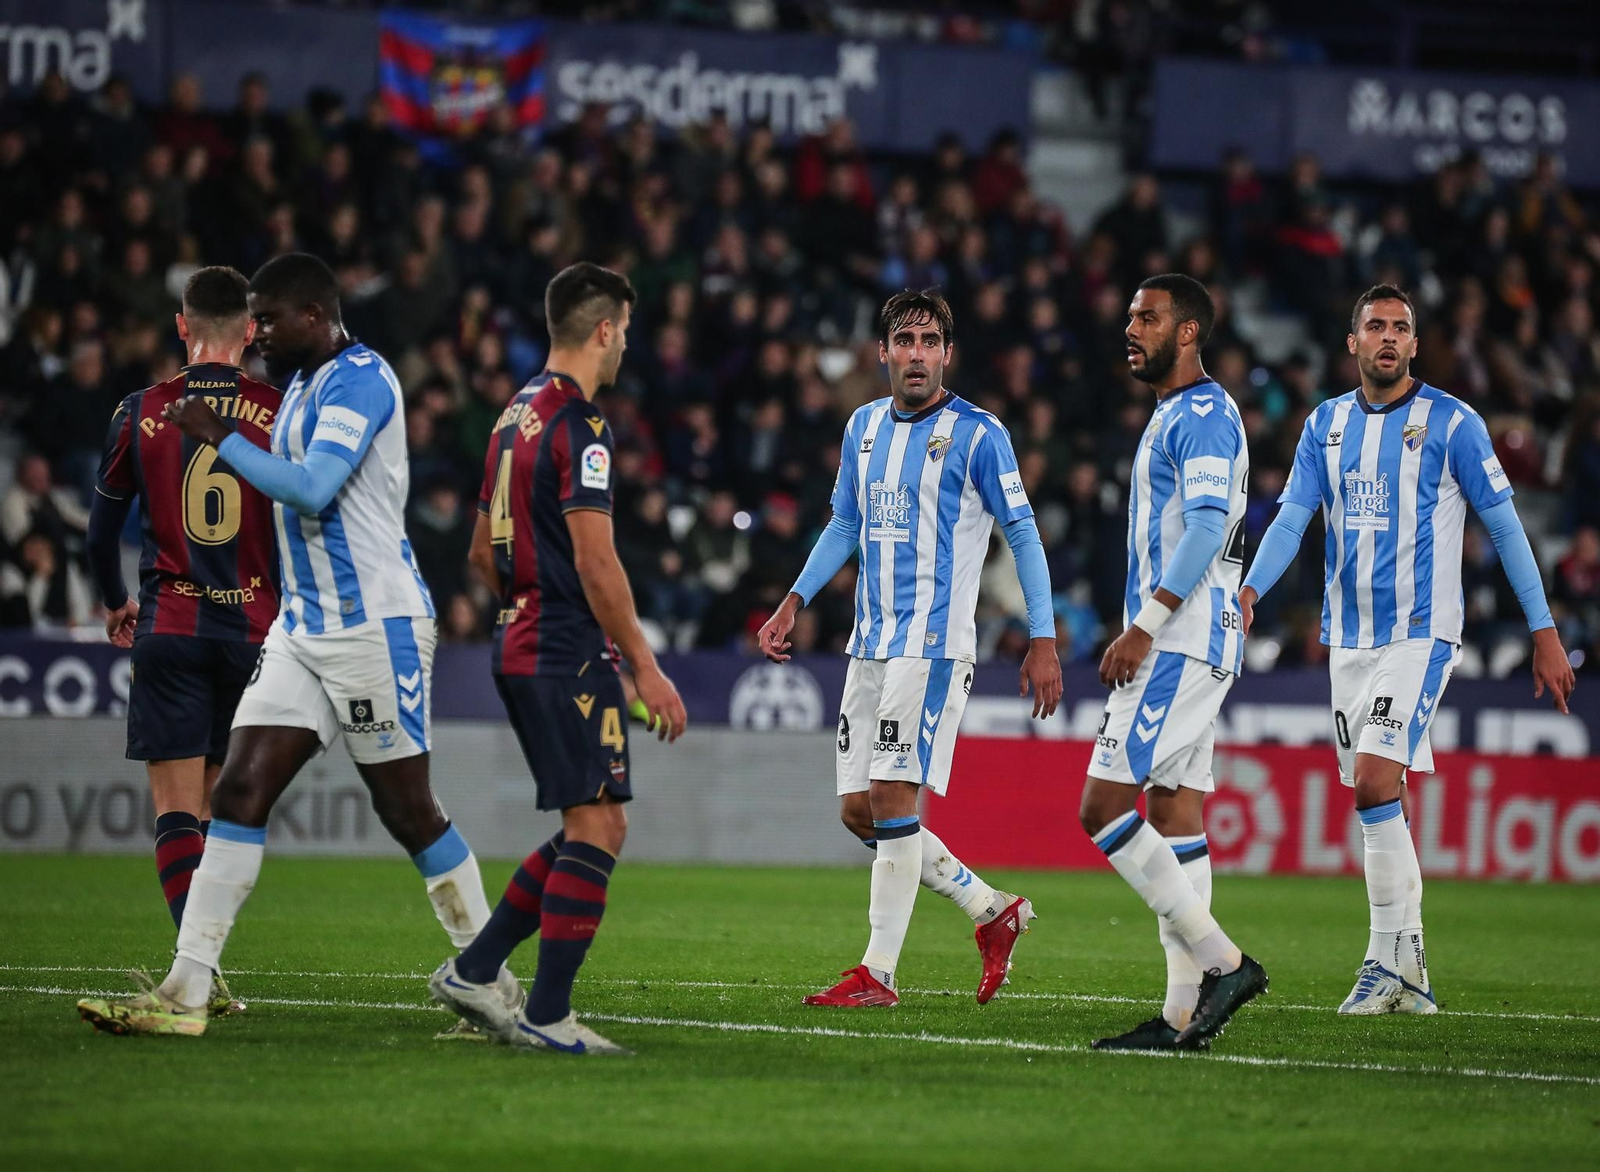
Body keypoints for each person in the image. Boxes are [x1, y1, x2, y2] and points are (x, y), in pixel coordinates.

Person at [76, 253, 514, 1038]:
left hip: (373, 627)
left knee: (408, 809)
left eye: (271, 323)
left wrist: (217, 439)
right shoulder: (303, 385)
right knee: (239, 793)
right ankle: (185, 990)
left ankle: (490, 980)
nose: (261, 338)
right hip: (301, 628)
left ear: (315, 315)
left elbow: (313, 486)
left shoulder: (362, 378)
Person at [1240, 284, 1575, 1015]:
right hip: (1348, 641)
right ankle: (1412, 968)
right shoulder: (1324, 426)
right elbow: (1294, 518)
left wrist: (1543, 630)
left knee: (1371, 781)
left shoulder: (1453, 423)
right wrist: (1251, 592)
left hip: (1421, 634)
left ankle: (1381, 963)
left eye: (1400, 328)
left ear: (1415, 345)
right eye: (1375, 326)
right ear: (1353, 343)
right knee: (1377, 798)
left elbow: (1507, 528)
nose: (1388, 337)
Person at [757, 289, 1062, 1009]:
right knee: (860, 811)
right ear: (884, 352)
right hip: (870, 644)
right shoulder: (863, 427)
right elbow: (842, 524)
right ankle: (992, 910)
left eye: (930, 340)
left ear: (947, 354)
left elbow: (1022, 534)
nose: (917, 353)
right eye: (905, 340)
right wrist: (793, 598)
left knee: (894, 794)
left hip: (931, 646)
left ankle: (878, 974)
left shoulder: (980, 434)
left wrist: (1043, 636)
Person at [428, 263, 687, 1056]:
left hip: (520, 638)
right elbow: (599, 562)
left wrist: (524, 598)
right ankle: (546, 1014)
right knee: (600, 824)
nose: (624, 350)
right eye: (626, 334)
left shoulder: (513, 418)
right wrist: (644, 664)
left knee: (592, 823)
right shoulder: (581, 426)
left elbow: (481, 550)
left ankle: (476, 970)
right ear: (604, 329)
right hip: (565, 646)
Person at [84, 267, 279, 1016]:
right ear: (252, 333)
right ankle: (200, 973)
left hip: (169, 625)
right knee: (216, 813)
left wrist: (113, 603)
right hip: (256, 636)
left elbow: (102, 535)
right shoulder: (278, 410)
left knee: (175, 809)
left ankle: (197, 974)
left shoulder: (142, 411)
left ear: (181, 327)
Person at [1082, 274, 1267, 1053]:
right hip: (1197, 638)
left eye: (1148, 317)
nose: (1133, 328)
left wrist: (1143, 627)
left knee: (1102, 808)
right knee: (1174, 816)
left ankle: (1225, 964)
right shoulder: (1177, 414)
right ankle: (1182, 1015)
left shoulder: (1201, 415)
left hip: (1178, 641)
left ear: (1188, 331)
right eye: (1129, 315)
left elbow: (1203, 528)